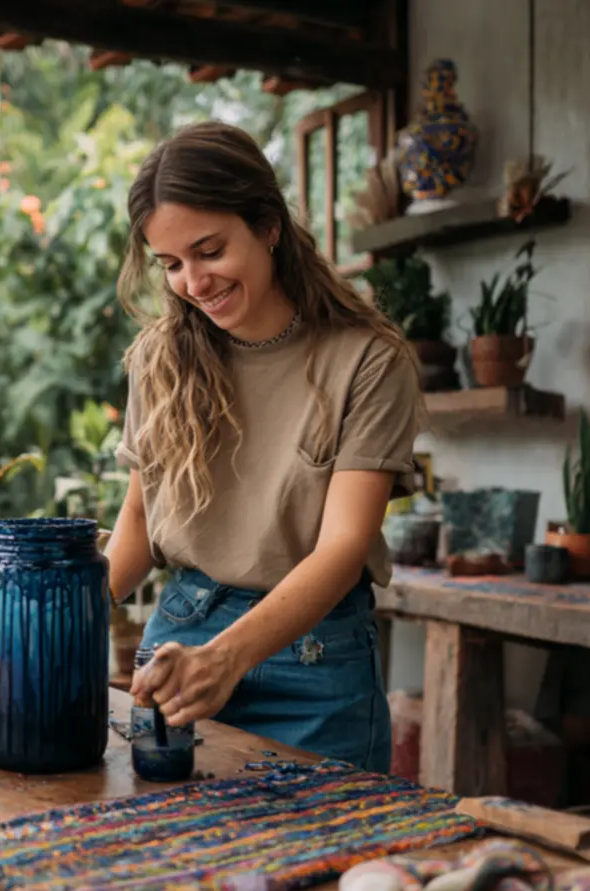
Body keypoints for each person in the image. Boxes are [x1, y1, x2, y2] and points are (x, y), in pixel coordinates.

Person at [103, 120, 424, 773]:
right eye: (171, 264)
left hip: (318, 664)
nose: (192, 282)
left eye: (209, 250)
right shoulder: (159, 359)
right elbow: (138, 522)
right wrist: (37, 624)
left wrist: (226, 657)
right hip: (178, 657)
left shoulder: (368, 361)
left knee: (322, 869)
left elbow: (340, 550)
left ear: (269, 226)